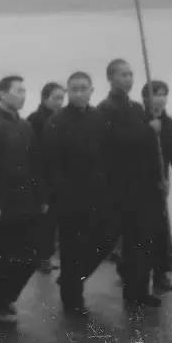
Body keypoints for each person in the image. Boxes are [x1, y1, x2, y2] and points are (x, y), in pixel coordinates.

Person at [0, 75, 48, 327]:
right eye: (18, 90)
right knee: (0, 257)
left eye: (25, 90)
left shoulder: (25, 126)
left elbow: (37, 165)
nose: (23, 95)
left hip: (26, 203)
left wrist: (42, 197)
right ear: (2, 94)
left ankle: (8, 296)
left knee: (31, 255)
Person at [42, 72, 116, 317]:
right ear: (68, 91)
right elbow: (50, 163)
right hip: (69, 197)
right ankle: (72, 301)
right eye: (74, 89)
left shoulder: (100, 118)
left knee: (107, 237)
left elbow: (109, 157)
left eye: (84, 88)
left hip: (99, 194)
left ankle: (71, 279)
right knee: (72, 249)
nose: (79, 93)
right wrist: (60, 194)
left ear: (92, 90)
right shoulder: (56, 121)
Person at [97, 59, 163, 309]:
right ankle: (130, 291)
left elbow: (148, 149)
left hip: (143, 185)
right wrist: (149, 131)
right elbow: (116, 142)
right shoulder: (105, 109)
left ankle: (139, 290)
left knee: (143, 239)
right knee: (129, 240)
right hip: (120, 186)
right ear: (110, 78)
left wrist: (159, 179)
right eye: (123, 74)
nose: (129, 79)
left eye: (131, 74)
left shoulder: (136, 108)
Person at [142, 80, 172, 293]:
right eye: (156, 94)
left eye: (164, 95)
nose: (160, 98)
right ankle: (132, 271)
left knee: (161, 228)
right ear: (146, 98)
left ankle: (161, 274)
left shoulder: (168, 122)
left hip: (161, 183)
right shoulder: (139, 119)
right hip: (140, 181)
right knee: (141, 228)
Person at [27, 81, 66, 272]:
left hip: (57, 176)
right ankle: (42, 258)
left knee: (53, 220)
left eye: (62, 98)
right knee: (45, 221)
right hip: (41, 176)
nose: (60, 102)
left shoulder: (60, 118)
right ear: (45, 98)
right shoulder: (36, 119)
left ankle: (46, 257)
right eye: (56, 98)